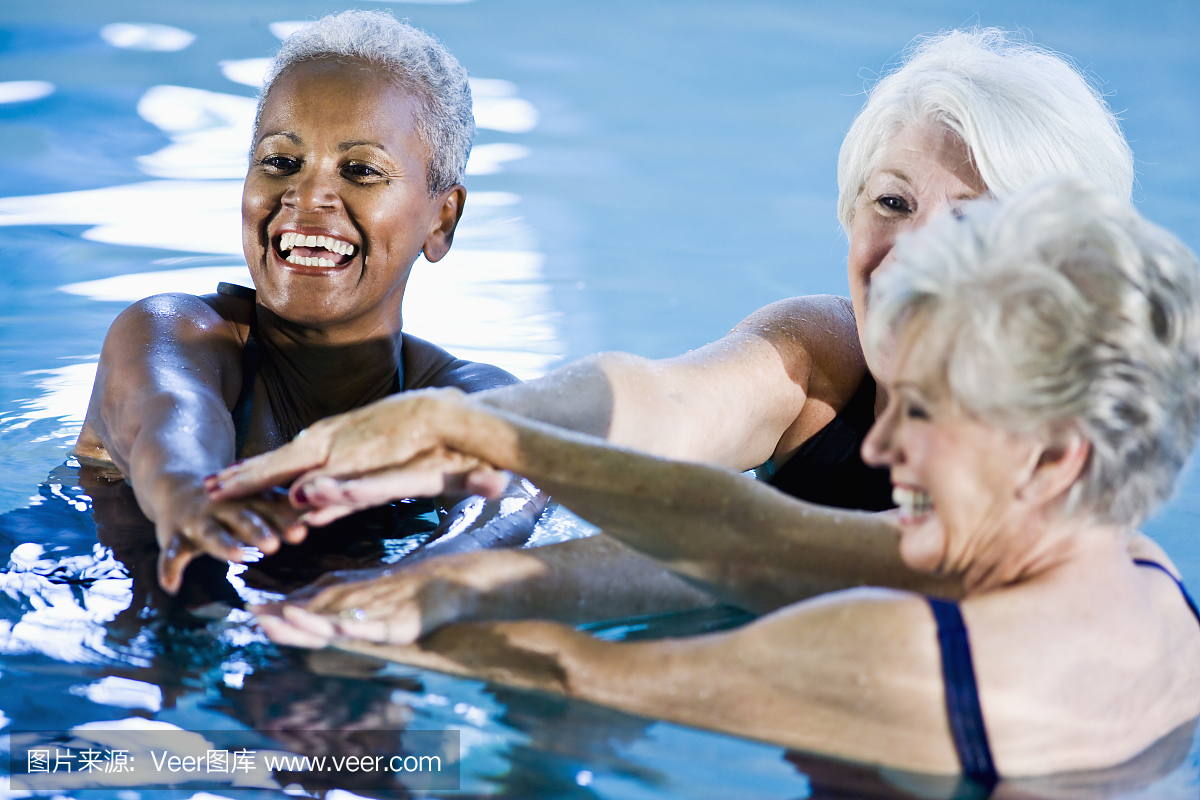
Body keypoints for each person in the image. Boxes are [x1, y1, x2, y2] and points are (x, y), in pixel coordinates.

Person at [224, 180, 1200, 780]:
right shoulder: (1137, 576)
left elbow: (582, 668)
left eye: (927, 412)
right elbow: (758, 534)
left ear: (1055, 454)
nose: (877, 445)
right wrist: (480, 431)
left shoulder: (912, 655)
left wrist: (345, 625)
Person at [205, 27, 1154, 629]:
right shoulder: (825, 361)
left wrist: (477, 569)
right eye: (891, 201)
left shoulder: (1080, 466)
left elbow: (777, 551)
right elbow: (656, 402)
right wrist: (467, 441)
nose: (912, 253)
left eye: (975, 219)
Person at [72, 10, 541, 595]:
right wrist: (195, 496)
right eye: (280, 162)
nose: (309, 195)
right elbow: (172, 422)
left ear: (441, 219)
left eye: (361, 171)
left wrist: (409, 588)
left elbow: (501, 516)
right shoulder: (175, 335)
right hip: (90, 590)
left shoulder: (473, 398)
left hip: (331, 623)